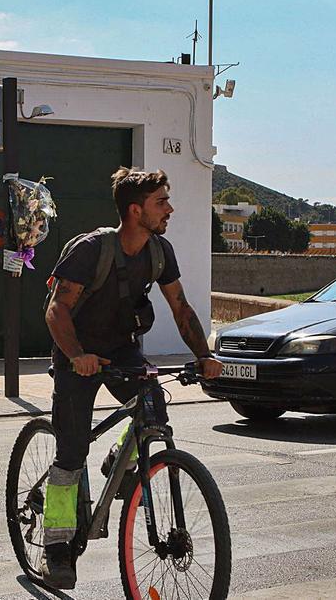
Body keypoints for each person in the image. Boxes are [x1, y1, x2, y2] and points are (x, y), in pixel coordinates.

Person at [40, 167, 223, 589]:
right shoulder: (91, 250)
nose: (170, 209)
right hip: (78, 350)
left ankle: (120, 463)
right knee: (70, 454)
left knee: (153, 408)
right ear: (135, 209)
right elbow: (56, 310)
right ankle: (56, 546)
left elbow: (181, 308)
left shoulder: (159, 251)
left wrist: (204, 355)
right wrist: (77, 356)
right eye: (162, 202)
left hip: (122, 347)